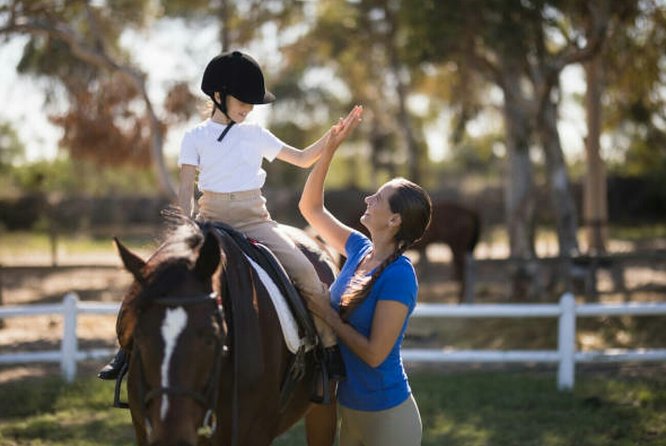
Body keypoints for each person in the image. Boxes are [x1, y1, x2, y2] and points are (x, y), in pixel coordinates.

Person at [99, 51, 354, 399]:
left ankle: (327, 350)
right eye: (243, 100)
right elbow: (185, 191)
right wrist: (185, 230)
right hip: (210, 221)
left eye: (253, 102)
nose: (249, 107)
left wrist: (332, 138)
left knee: (307, 274)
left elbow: (302, 158)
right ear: (218, 95)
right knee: (152, 275)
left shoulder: (255, 133)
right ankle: (126, 351)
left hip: (256, 220)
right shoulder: (195, 137)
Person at [299, 107, 432, 446]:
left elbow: (374, 354)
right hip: (351, 411)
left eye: (379, 198)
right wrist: (328, 149)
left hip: (389, 418)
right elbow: (311, 208)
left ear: (395, 221)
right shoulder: (358, 248)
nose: (368, 199)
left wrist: (329, 316)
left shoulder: (400, 275)